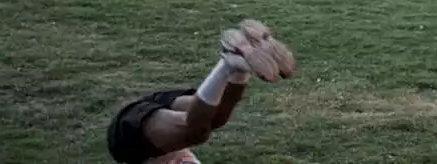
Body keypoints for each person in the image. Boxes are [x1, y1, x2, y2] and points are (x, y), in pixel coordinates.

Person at [106, 20, 296, 164]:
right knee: (214, 119)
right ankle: (236, 67)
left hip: (132, 138)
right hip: (150, 128)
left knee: (197, 131)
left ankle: (229, 64)